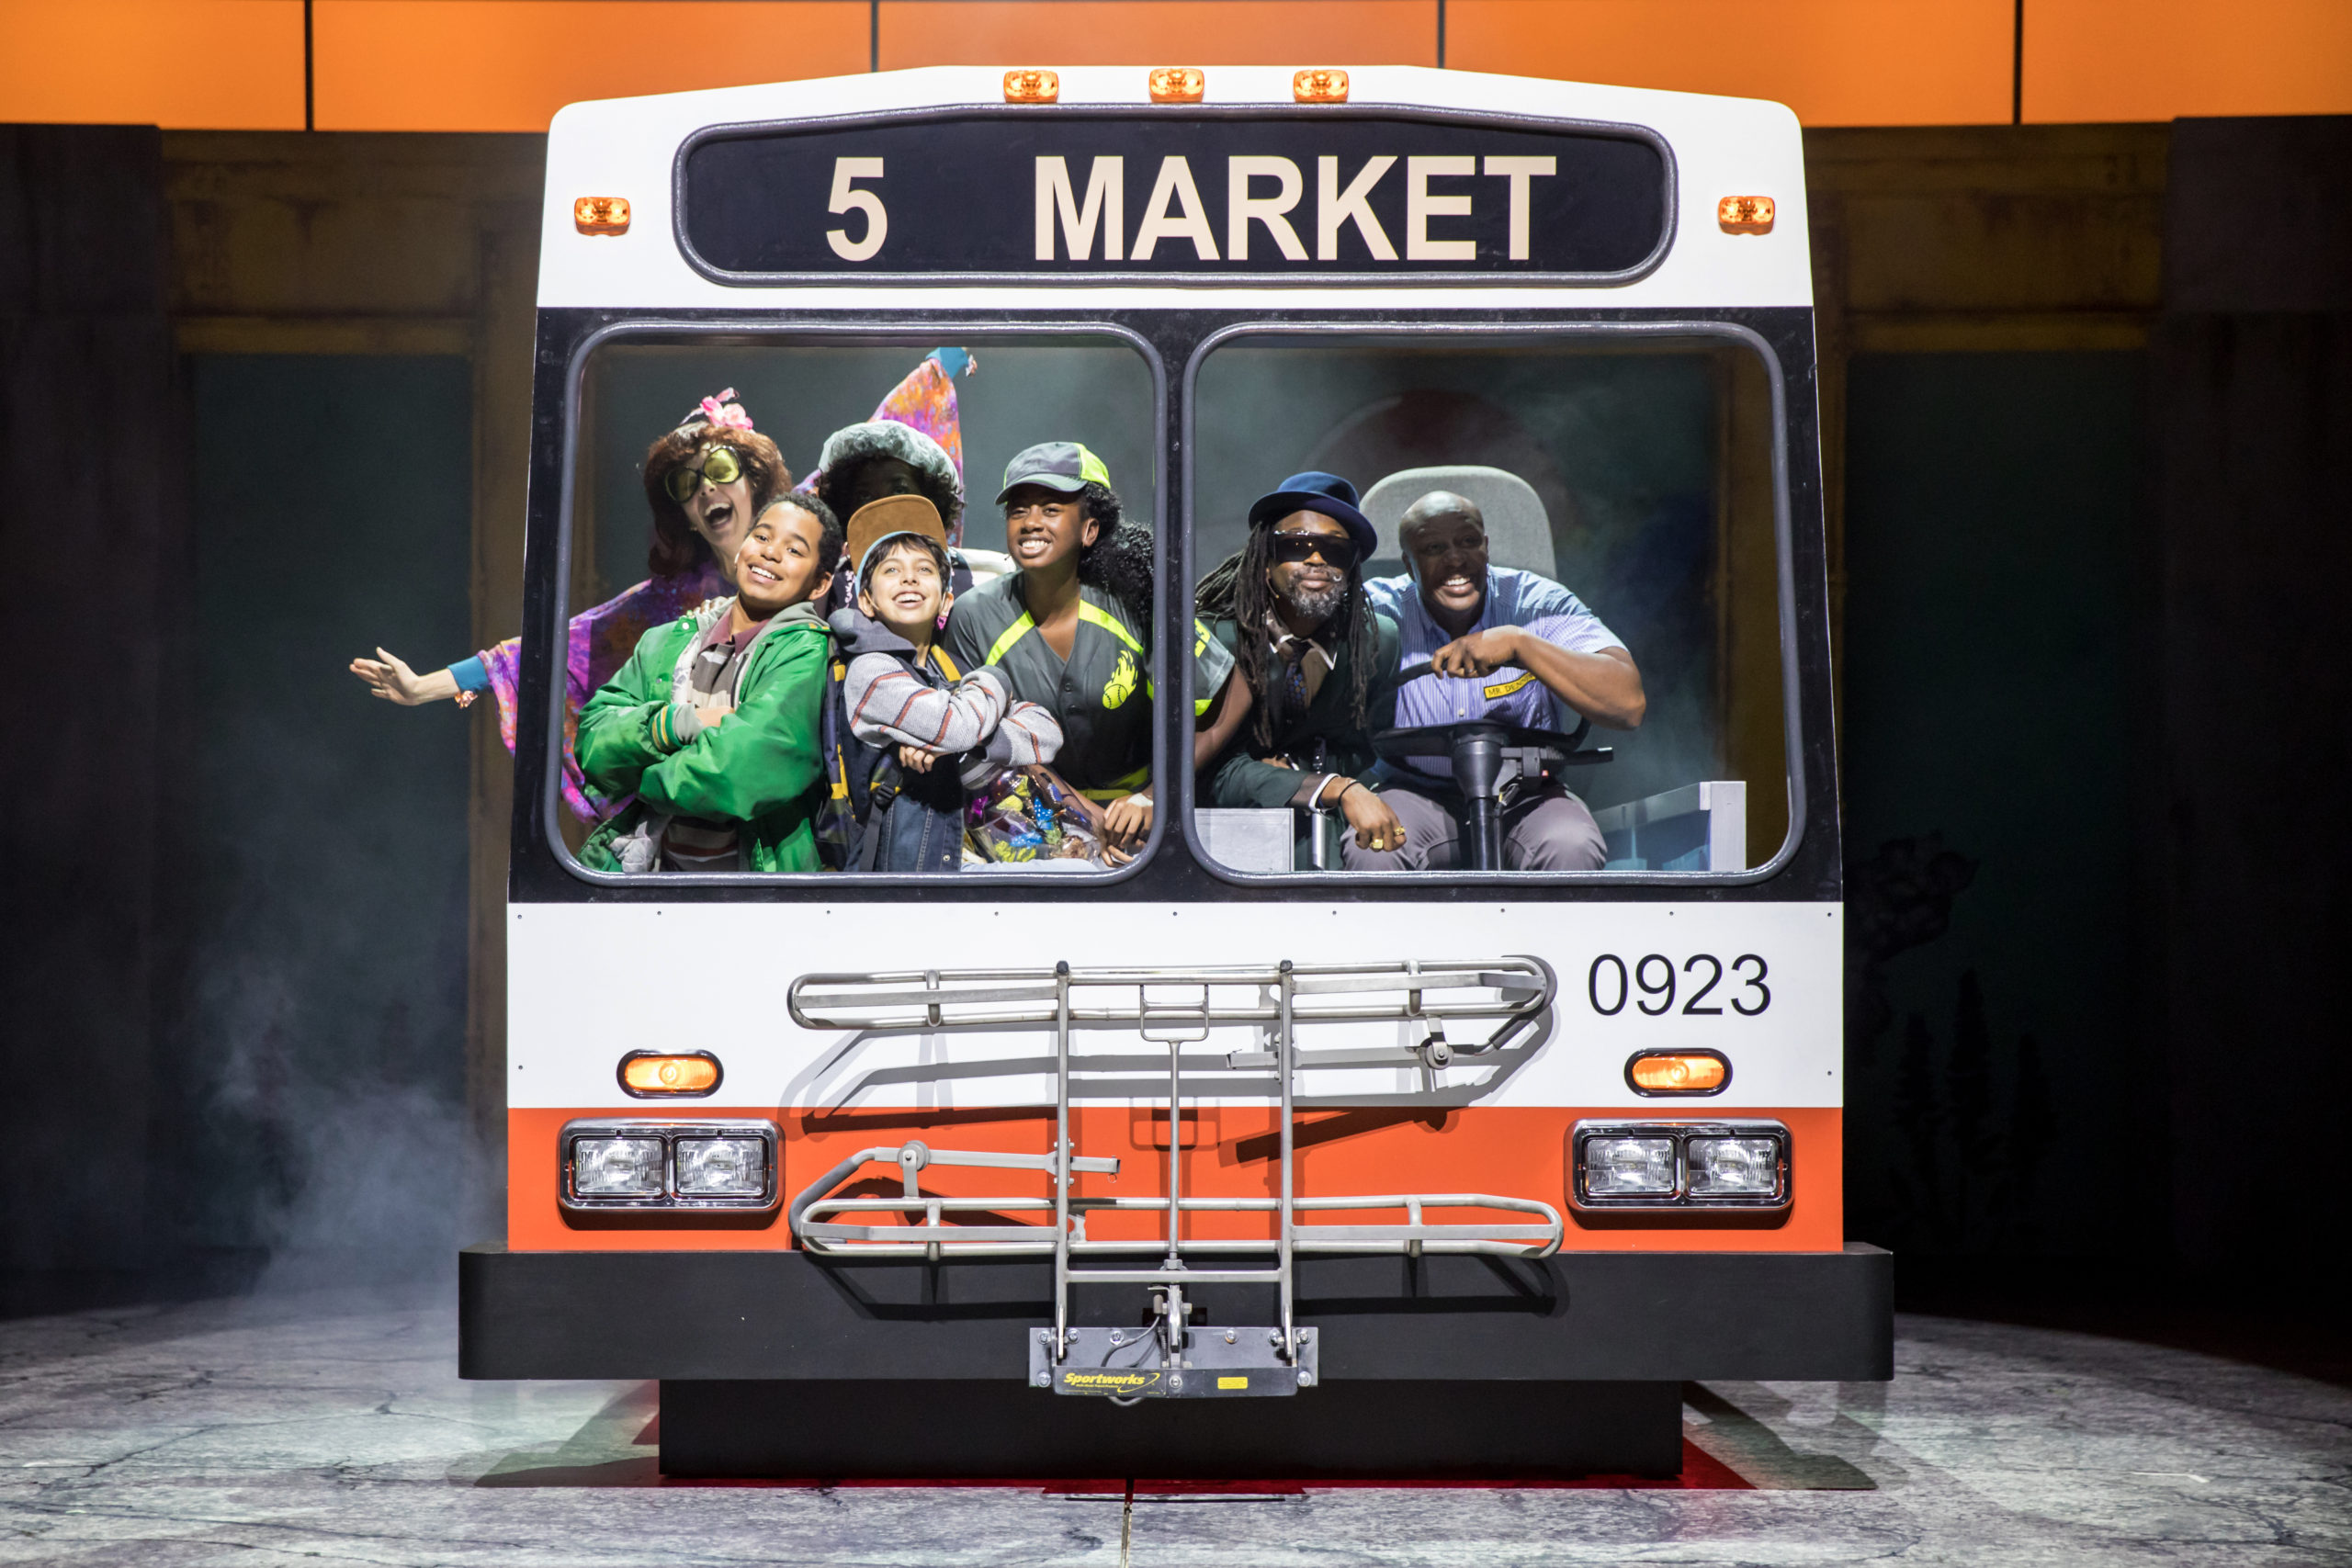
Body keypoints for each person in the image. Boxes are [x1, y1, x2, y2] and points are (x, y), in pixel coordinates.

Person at [349, 388, 788, 823]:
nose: (706, 487)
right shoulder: (673, 600)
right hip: (720, 801)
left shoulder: (808, 544)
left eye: (720, 468)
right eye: (686, 484)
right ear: (686, 517)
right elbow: (539, 653)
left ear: (752, 480)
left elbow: (834, 469)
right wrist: (422, 687)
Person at [943, 442, 1235, 857]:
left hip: (1148, 821)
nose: (1031, 522)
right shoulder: (973, 615)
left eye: (1050, 509)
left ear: (1089, 529)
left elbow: (1231, 690)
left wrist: (1154, 797)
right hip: (1035, 818)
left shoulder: (1134, 600)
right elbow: (980, 740)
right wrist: (1082, 819)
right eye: (1018, 511)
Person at [1351, 489, 1645, 872]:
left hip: (1527, 794)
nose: (1455, 559)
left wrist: (1519, 644)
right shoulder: (1376, 610)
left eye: (1468, 542)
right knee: (1374, 850)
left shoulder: (1538, 604)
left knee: (1571, 844)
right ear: (1409, 564)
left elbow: (1628, 704)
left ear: (1486, 547)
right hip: (1412, 791)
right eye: (1434, 548)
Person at [573, 495, 843, 874]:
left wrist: (639, 778)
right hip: (652, 881)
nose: (771, 553)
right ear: (741, 548)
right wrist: (674, 724)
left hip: (757, 891)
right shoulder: (664, 641)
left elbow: (740, 769)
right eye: (762, 537)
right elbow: (593, 742)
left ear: (819, 583)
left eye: (794, 550)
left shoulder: (807, 651)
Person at [829, 498, 1063, 872]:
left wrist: (977, 744)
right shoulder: (871, 671)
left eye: (924, 569)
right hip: (912, 874)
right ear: (866, 601)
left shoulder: (952, 667)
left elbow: (1047, 733)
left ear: (945, 601)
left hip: (967, 854)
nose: (909, 578)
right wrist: (995, 679)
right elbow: (956, 726)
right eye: (892, 570)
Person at [1194, 472, 1406, 858]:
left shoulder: (1377, 643)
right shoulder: (1215, 641)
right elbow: (1209, 768)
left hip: (1327, 825)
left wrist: (1304, 772)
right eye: (1296, 545)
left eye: (1336, 550)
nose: (1316, 559)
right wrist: (1325, 786)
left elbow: (1365, 750)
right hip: (1224, 835)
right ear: (1264, 561)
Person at [804, 347, 1012, 611]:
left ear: (930, 499)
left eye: (899, 490)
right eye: (865, 496)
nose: (882, 506)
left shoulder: (984, 580)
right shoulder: (823, 587)